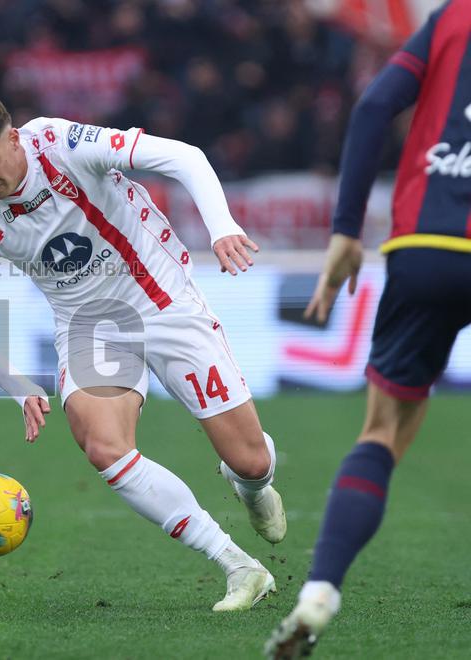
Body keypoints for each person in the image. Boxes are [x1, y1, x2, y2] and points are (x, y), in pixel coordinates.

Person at [0, 88, 286, 611]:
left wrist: (222, 228)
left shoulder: (64, 144)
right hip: (89, 326)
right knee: (104, 446)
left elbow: (185, 156)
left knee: (250, 460)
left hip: (159, 296)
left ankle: (253, 488)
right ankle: (238, 566)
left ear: (14, 138)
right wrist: (16, 386)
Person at [266, 3, 471, 656]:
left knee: (382, 433)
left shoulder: (455, 17)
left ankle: (320, 590)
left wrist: (346, 231)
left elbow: (372, 108)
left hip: (428, 246)